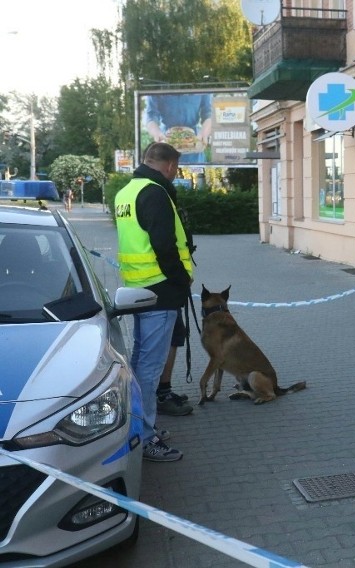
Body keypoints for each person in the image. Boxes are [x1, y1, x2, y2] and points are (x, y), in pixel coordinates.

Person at [115, 142, 193, 462]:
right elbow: (164, 245)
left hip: (138, 288)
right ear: (171, 166)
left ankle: (142, 426)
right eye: (176, 169)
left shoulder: (126, 193)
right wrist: (180, 280)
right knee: (149, 368)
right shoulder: (156, 192)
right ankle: (144, 436)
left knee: (141, 364)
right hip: (160, 291)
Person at [144, 93, 213, 164]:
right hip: (167, 138)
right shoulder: (156, 87)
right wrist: (157, 133)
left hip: (193, 141)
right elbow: (151, 115)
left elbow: (209, 112)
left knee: (195, 174)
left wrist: (204, 132)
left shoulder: (201, 86)